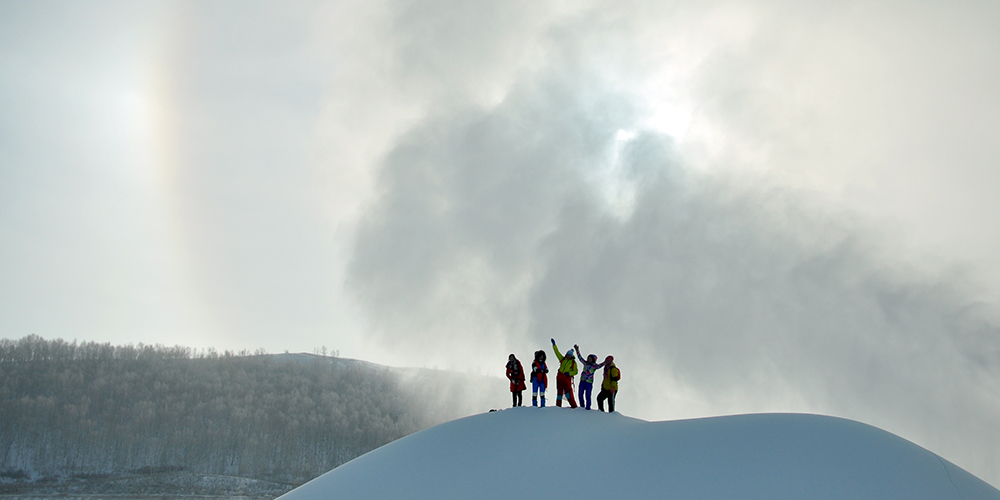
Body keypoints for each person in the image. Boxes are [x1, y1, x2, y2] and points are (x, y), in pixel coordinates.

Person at [574, 344, 607, 410]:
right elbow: (580, 358)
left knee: (588, 396)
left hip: (589, 383)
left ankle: (588, 408)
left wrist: (605, 362)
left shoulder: (595, 366)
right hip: (582, 381)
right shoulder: (585, 363)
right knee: (580, 395)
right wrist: (577, 350)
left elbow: (601, 365)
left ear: (593, 360)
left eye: (590, 359)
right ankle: (582, 406)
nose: (589, 359)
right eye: (588, 358)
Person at [550, 338, 578, 408]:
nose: (568, 356)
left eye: (570, 355)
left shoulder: (573, 363)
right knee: (559, 393)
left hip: (566, 378)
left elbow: (576, 371)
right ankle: (558, 406)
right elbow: (557, 353)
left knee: (568, 393)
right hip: (560, 377)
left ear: (572, 356)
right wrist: (554, 345)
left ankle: (573, 406)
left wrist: (569, 373)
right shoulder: (562, 359)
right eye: (568, 355)